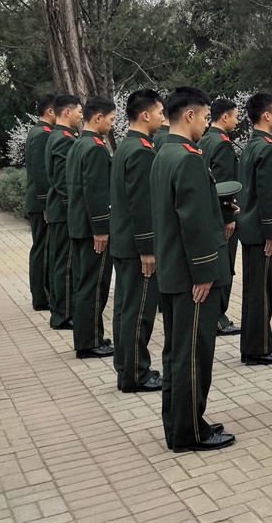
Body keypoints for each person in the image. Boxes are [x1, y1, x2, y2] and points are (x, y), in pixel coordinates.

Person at [150, 86, 235, 452]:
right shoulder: (186, 158)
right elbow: (193, 222)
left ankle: (181, 424)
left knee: (178, 352)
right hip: (191, 276)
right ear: (189, 115)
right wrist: (204, 273)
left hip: (174, 271)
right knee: (193, 356)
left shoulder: (164, 152)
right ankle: (190, 432)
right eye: (203, 117)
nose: (205, 124)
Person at [110, 89, 164, 392]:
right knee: (138, 312)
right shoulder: (142, 151)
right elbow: (141, 206)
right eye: (159, 113)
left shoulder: (126, 145)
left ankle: (126, 368)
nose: (162, 118)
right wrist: (148, 249)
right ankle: (136, 374)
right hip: (136, 247)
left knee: (125, 310)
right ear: (145, 115)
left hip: (123, 243)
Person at [237, 93, 272, 366]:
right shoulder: (268, 148)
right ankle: (259, 348)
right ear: (266, 115)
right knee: (262, 290)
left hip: (251, 227)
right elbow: (268, 193)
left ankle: (252, 345)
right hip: (262, 231)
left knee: (255, 288)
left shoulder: (252, 145)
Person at [66, 97, 116, 358]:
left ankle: (89, 336)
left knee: (84, 283)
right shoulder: (95, 148)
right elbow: (96, 193)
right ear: (98, 117)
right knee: (94, 286)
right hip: (92, 229)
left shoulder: (79, 144)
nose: (112, 124)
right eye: (111, 119)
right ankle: (89, 342)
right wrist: (101, 229)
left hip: (79, 226)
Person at [198, 98, 241, 337]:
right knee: (224, 267)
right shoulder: (222, 144)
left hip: (208, 213)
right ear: (225, 117)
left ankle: (213, 316)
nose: (236, 121)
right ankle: (218, 318)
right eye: (235, 116)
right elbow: (225, 185)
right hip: (221, 216)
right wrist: (228, 217)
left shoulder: (205, 139)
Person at [44, 94, 83, 331]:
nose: (81, 116)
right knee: (66, 264)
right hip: (64, 211)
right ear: (67, 112)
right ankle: (63, 315)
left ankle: (62, 311)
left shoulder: (60, 135)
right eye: (79, 111)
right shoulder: (63, 139)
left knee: (63, 262)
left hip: (61, 209)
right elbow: (62, 180)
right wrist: (73, 208)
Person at [24, 94, 57, 312]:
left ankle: (44, 293)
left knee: (44, 246)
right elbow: (41, 172)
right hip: (40, 202)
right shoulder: (42, 134)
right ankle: (41, 296)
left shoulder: (40, 132)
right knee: (43, 248)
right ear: (50, 111)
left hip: (39, 201)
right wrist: (46, 204)